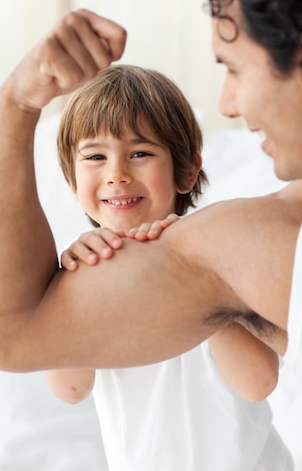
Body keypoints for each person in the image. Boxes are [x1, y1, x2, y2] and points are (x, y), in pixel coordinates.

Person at [0, 0, 302, 386]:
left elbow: (2, 335)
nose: (227, 104)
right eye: (95, 156)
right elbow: (3, 336)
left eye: (234, 67)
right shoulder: (238, 244)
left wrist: (18, 105)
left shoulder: (252, 243)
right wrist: (17, 104)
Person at [45, 64, 291, 470]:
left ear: (186, 171)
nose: (117, 174)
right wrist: (74, 282)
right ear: (73, 181)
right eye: (95, 157)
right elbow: (70, 388)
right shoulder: (86, 268)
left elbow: (257, 382)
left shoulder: (220, 253)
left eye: (140, 153)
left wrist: (200, 270)